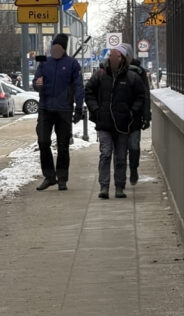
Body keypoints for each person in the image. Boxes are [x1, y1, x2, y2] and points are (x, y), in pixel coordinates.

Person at [85, 45, 146, 198]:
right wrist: (96, 109)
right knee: (105, 154)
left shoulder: (132, 77)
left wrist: (132, 112)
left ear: (123, 59)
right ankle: (104, 187)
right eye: (112, 55)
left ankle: (119, 186)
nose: (113, 58)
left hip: (123, 124)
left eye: (117, 56)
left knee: (120, 157)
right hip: (104, 123)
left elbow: (141, 96)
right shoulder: (100, 74)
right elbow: (89, 91)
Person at [32, 33, 84, 191]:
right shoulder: (44, 63)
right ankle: (49, 177)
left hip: (64, 110)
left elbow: (79, 87)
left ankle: (62, 179)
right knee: (43, 142)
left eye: (58, 47)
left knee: (63, 146)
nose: (55, 49)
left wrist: (79, 108)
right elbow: (35, 83)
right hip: (45, 108)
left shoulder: (72, 64)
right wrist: (37, 84)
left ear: (63, 49)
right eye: (53, 46)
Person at [127, 53, 151, 185]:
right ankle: (120, 178)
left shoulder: (140, 72)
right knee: (119, 149)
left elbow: (145, 95)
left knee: (134, 146)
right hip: (118, 118)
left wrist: (146, 116)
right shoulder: (113, 70)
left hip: (135, 117)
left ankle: (133, 169)